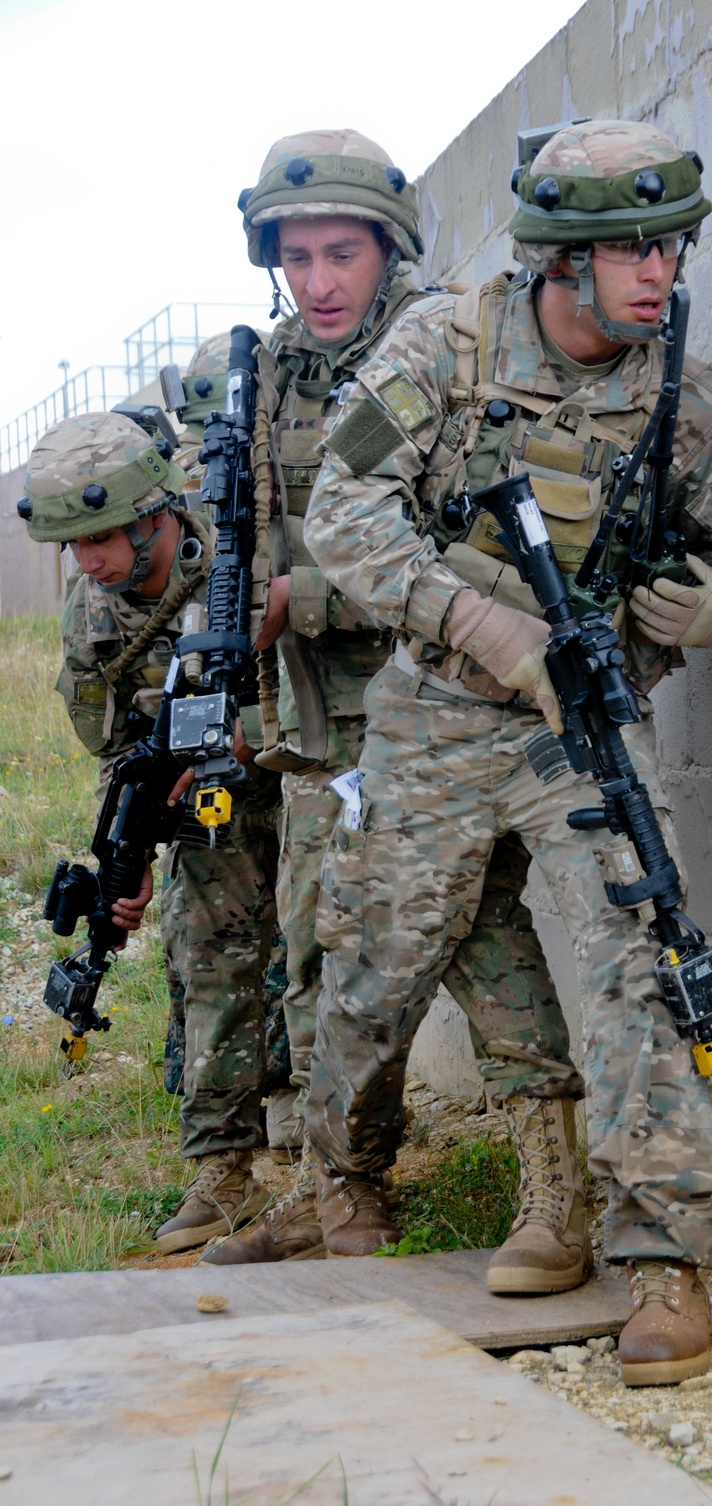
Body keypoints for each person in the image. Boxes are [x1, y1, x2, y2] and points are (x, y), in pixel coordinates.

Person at [301, 119, 712, 1384]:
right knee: (377, 961)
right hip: (437, 710)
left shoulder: (683, 402)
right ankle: (341, 1174)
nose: (656, 270)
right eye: (625, 250)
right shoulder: (444, 345)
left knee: (636, 957)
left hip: (577, 728)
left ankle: (661, 1258)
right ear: (561, 262)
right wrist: (477, 619)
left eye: (668, 243)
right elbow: (340, 510)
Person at [201, 130, 584, 1279]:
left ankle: (556, 1196)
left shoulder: (445, 352)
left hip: (441, 713)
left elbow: (464, 554)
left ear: (387, 249)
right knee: (326, 959)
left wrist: (301, 601)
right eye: (295, 258)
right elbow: (251, 537)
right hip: (322, 728)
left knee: (482, 947)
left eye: (338, 254)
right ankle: (342, 1196)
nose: (316, 282)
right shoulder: (271, 371)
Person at [19, 410, 282, 1253]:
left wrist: (246, 731)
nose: (86, 562)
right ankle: (223, 1170)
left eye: (98, 538)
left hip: (300, 770)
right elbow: (115, 747)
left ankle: (335, 1167)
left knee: (322, 956)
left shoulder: (240, 554)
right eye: (72, 545)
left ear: (152, 514)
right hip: (200, 801)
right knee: (205, 955)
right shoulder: (90, 613)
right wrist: (126, 852)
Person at [161, 334, 298, 1163]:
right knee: (214, 935)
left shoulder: (300, 491)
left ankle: (301, 1118)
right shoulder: (184, 523)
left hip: (305, 737)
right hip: (228, 752)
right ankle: (223, 1136)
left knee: (304, 941)